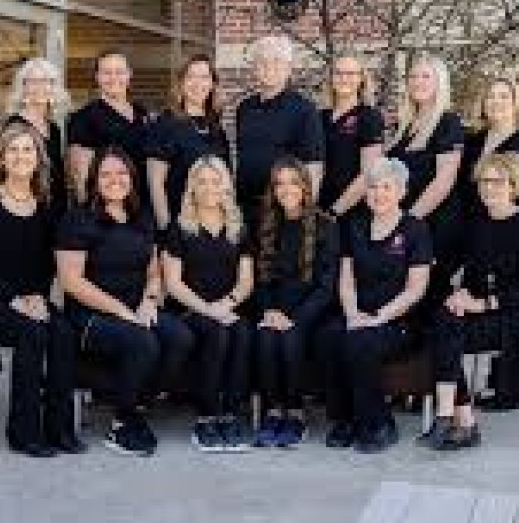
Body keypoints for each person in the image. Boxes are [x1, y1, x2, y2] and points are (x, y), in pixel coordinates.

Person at [0, 122, 82, 458]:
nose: (20, 156)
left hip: (30, 298)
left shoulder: (47, 205)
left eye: (28, 149)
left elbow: (48, 264)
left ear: (38, 158)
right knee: (32, 332)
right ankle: (23, 433)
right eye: (13, 149)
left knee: (64, 332)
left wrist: (37, 298)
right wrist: (16, 300)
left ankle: (60, 429)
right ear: (1, 158)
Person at [56, 146, 193, 456]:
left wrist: (150, 300)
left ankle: (137, 400)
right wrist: (120, 311)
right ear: (94, 180)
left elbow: (154, 272)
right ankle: (123, 422)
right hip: (90, 314)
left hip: (135, 307)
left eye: (121, 173)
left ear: (132, 178)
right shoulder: (77, 220)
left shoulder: (141, 217)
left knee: (181, 337)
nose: (114, 180)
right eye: (105, 174)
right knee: (143, 342)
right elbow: (71, 281)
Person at [420, 152, 519, 451]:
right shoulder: (476, 223)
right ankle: (457, 419)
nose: (489, 187)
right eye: (484, 181)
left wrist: (485, 304)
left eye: (497, 181)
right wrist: (458, 295)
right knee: (443, 323)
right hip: (483, 306)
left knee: (446, 333)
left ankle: (455, 421)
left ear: (513, 186)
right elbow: (457, 267)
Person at [316, 157, 432, 454]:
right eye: (373, 187)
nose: (378, 193)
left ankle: (378, 423)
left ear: (401, 192)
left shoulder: (415, 230)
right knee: (328, 336)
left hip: (399, 320)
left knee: (360, 343)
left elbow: (415, 290)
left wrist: (379, 317)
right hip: (359, 313)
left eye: (386, 187)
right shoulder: (354, 226)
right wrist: (353, 314)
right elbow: (347, 280)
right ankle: (343, 420)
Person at [162, 156, 254, 453]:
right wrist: (208, 310)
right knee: (216, 332)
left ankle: (232, 414)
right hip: (189, 310)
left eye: (216, 181)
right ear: (192, 187)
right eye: (202, 182)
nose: (209, 188)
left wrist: (226, 305)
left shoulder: (238, 228)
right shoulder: (179, 228)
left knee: (243, 332)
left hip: (227, 307)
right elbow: (173, 284)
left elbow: (246, 281)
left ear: (226, 186)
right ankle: (207, 416)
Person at [254, 157, 340, 448]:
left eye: (293, 182)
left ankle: (295, 413)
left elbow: (326, 287)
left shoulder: (326, 226)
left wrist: (296, 318)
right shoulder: (266, 223)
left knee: (291, 338)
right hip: (275, 308)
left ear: (305, 186)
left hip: (312, 311)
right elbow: (261, 279)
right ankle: (272, 411)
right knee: (266, 337)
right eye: (279, 184)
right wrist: (269, 311)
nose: (286, 189)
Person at [386, 53, 464, 308]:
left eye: (426, 76)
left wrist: (408, 221)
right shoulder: (405, 126)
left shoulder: (448, 122)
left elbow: (444, 180)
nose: (418, 82)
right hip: (407, 224)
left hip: (436, 226)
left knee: (431, 300)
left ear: (439, 82)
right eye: (413, 76)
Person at [235, 35, 325, 233]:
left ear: (288, 69)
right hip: (245, 207)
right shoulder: (245, 108)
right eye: (262, 62)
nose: (269, 68)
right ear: (254, 69)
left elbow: (313, 168)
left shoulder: (304, 110)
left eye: (277, 61)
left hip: (283, 209)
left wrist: (302, 215)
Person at [460, 76, 519, 243]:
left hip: (517, 236)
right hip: (475, 234)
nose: (496, 101)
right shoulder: (472, 143)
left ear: (516, 104)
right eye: (490, 96)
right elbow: (464, 193)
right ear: (483, 104)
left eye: (504, 96)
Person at [146, 54, 230, 232]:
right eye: (191, 77)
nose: (197, 83)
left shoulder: (216, 126)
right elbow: (155, 183)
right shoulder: (165, 124)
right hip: (179, 225)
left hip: (211, 226)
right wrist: (166, 230)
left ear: (212, 84)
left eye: (204, 77)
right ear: (181, 83)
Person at [66, 51, 151, 205]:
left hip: (142, 204)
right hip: (107, 207)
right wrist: (89, 212)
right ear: (97, 77)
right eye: (107, 73)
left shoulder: (142, 113)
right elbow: (80, 176)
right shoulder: (84, 117)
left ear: (129, 75)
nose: (114, 78)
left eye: (119, 72)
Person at [318, 52, 386, 223]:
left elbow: (369, 173)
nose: (344, 78)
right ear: (331, 78)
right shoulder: (319, 117)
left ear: (361, 79)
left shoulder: (369, 117)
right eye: (338, 73)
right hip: (318, 208)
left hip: (351, 211)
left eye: (351, 73)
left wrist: (334, 211)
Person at [2, 58, 69, 218]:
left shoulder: (53, 128)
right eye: (33, 81)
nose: (40, 87)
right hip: (28, 206)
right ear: (24, 87)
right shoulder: (15, 125)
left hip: (55, 206)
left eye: (46, 81)